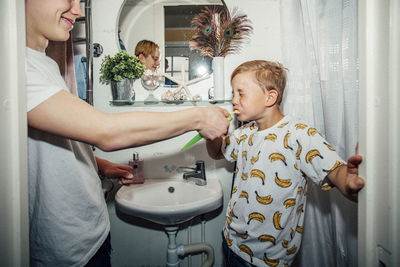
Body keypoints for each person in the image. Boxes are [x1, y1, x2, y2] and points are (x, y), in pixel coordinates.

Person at [25, 1, 230, 266]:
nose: (77, 10)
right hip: (63, 250)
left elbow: (46, 147)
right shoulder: (15, 69)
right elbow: (105, 131)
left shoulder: (44, 64)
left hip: (90, 234)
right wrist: (197, 117)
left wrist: (99, 166)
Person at [206, 60, 365, 267]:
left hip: (267, 259)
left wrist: (348, 181)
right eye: (232, 94)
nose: (234, 100)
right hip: (231, 241)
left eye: (240, 93)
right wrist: (212, 135)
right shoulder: (244, 133)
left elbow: (335, 171)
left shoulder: (299, 134)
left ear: (270, 97)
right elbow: (217, 153)